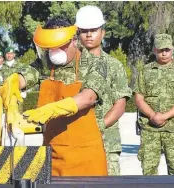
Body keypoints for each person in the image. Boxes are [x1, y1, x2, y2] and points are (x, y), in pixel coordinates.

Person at [24, 17, 113, 176]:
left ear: (73, 40)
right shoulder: (45, 63)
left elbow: (88, 97)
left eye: (60, 46)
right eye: (51, 48)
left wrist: (53, 109)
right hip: (53, 153)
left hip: (86, 156)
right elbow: (23, 77)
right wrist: (11, 85)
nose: (54, 52)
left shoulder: (95, 63)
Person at [75, 5, 132, 175]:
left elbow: (120, 105)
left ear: (103, 33)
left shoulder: (114, 65)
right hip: (74, 141)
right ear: (78, 33)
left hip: (105, 141)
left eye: (93, 30)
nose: (89, 34)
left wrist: (97, 126)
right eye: (84, 30)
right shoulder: (70, 64)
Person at [133, 34, 174, 175]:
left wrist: (164, 116)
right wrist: (153, 115)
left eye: (167, 49)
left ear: (172, 49)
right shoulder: (145, 71)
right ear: (155, 50)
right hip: (149, 128)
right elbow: (139, 99)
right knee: (149, 170)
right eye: (161, 50)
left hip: (173, 128)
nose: (164, 53)